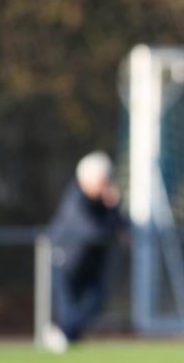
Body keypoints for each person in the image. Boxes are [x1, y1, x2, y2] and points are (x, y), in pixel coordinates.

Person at [45, 151, 125, 352]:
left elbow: (120, 226)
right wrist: (113, 209)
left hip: (90, 264)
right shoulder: (75, 201)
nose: (107, 185)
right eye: (104, 181)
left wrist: (115, 210)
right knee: (69, 310)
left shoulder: (103, 203)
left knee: (95, 302)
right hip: (66, 262)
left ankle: (63, 336)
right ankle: (61, 335)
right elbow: (94, 231)